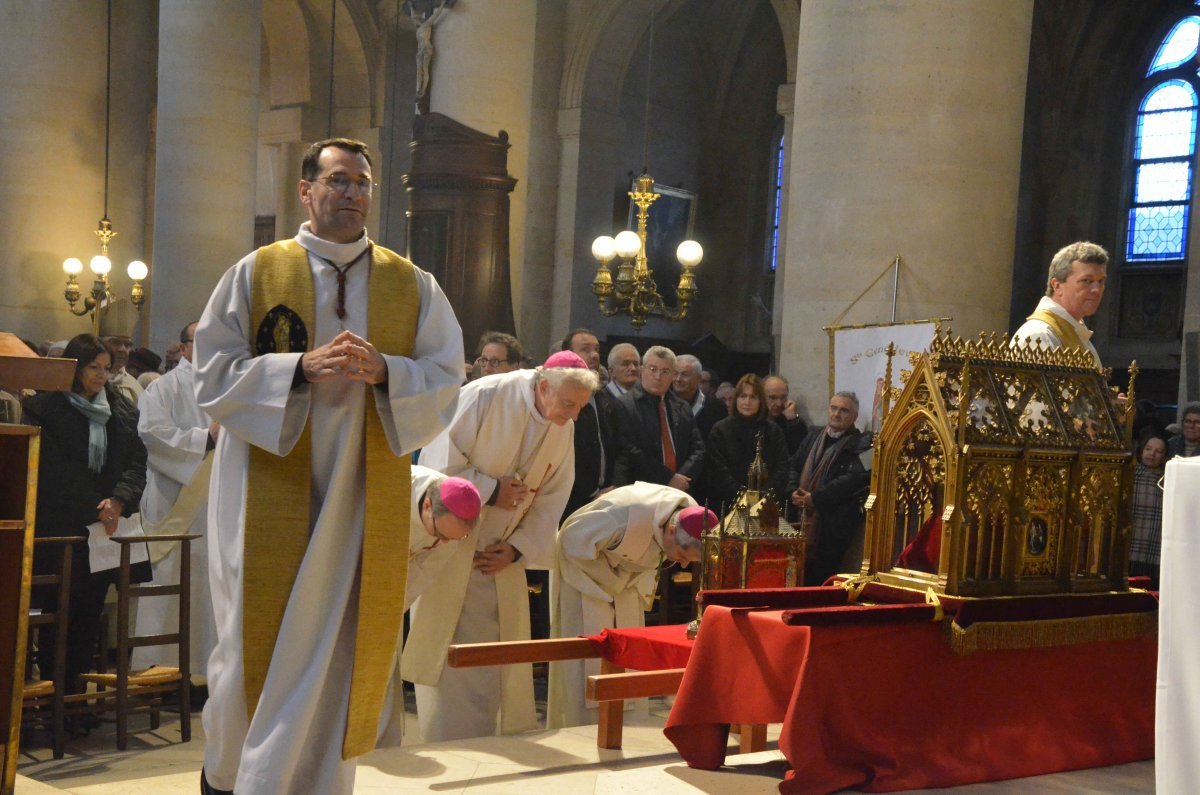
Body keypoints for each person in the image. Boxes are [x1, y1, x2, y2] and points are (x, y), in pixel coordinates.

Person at [193, 137, 464, 795]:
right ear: (306, 191)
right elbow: (210, 373)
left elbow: (446, 377)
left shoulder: (411, 283)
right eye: (338, 180)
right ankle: (234, 778)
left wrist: (388, 371)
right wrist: (296, 369)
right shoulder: (256, 272)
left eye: (363, 183)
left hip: (359, 497)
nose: (352, 194)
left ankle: (319, 783)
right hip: (264, 488)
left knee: (340, 642)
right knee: (250, 643)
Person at [403, 351, 597, 742]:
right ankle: (445, 737)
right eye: (568, 405)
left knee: (497, 656)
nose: (573, 416)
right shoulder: (485, 395)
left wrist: (518, 548)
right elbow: (437, 464)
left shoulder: (563, 423)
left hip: (502, 555)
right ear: (544, 387)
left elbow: (555, 493)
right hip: (452, 548)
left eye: (580, 407)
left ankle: (488, 738)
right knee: (448, 652)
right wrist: (491, 491)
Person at [22, 334, 149, 696]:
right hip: (63, 526)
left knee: (89, 612)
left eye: (107, 368)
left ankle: (77, 695)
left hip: (106, 526)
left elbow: (137, 461)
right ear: (75, 368)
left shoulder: (122, 408)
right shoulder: (45, 408)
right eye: (93, 367)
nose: (101, 375)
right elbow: (55, 469)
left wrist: (119, 501)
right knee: (58, 611)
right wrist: (98, 506)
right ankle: (52, 695)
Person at [547, 494, 715, 728]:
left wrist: (622, 581)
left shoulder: (691, 515)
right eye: (681, 556)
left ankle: (626, 723)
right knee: (587, 654)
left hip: (626, 582)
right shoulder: (621, 517)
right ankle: (582, 725)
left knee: (628, 646)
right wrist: (611, 580)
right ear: (670, 531)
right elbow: (570, 540)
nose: (683, 565)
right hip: (585, 582)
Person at [132, 321, 218, 678]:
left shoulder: (228, 387)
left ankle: (205, 673)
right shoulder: (164, 388)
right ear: (184, 348)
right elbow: (152, 436)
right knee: (169, 583)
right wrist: (206, 439)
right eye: (200, 341)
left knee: (211, 590)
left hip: (218, 504)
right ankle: (159, 672)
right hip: (175, 500)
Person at [376, 466, 482, 746]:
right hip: (353, 580)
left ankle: (382, 743)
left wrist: (389, 608)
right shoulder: (390, 489)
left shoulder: (450, 523)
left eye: (452, 539)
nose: (443, 542)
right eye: (439, 533)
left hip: (386, 597)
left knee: (383, 666)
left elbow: (424, 572)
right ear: (426, 505)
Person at [787, 391, 872, 585]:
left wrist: (815, 498)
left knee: (822, 577)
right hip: (799, 515)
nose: (837, 414)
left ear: (854, 417)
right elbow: (794, 465)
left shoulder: (863, 443)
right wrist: (792, 490)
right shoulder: (813, 435)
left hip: (833, 523)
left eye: (844, 410)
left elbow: (853, 479)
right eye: (834, 408)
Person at [613, 345, 705, 493]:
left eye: (665, 371)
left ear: (673, 375)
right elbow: (629, 449)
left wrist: (681, 477)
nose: (658, 377)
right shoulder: (624, 404)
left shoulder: (682, 406)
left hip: (680, 488)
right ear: (642, 370)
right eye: (652, 369)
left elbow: (698, 448)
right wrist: (668, 478)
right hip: (641, 488)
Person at [1012, 241, 1108, 367]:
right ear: (1057, 286)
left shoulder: (1079, 334)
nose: (1097, 289)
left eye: (1100, 281)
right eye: (1086, 281)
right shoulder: (1040, 335)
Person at [706, 374, 791, 510]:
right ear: (736, 398)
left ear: (761, 401)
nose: (747, 402)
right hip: (728, 504)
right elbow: (718, 470)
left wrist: (764, 496)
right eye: (743, 396)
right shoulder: (720, 429)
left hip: (765, 505)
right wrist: (743, 497)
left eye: (753, 397)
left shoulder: (773, 430)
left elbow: (782, 467)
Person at [559, 329, 619, 518]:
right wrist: (590, 495)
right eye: (586, 349)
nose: (594, 355)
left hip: (603, 498)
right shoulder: (559, 399)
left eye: (596, 349)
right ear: (568, 355)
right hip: (567, 502)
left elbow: (615, 448)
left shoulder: (603, 398)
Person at [1130, 435, 1167, 589]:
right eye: (1148, 449)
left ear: (1164, 457)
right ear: (1141, 451)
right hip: (1132, 544)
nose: (1152, 454)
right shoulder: (1130, 475)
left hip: (1154, 548)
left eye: (1158, 451)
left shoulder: (1166, 480)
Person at [99, 298, 145, 404]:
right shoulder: (92, 382)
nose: (122, 349)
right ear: (101, 345)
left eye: (127, 345)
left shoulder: (133, 385)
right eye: (115, 343)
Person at [674, 353, 726, 440]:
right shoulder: (662, 402)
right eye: (675, 373)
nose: (678, 379)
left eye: (685, 374)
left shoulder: (716, 408)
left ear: (698, 378)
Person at [764, 374, 809, 455]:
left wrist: (793, 420)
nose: (779, 403)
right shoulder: (753, 422)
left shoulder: (790, 422)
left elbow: (803, 453)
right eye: (772, 398)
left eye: (783, 397)